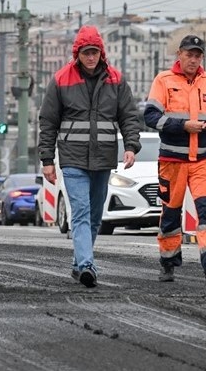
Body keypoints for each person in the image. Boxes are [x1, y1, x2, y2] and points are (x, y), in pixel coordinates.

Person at [38, 25, 143, 288]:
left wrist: (131, 146)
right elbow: (48, 121)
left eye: (94, 52)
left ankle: (79, 263)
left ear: (101, 53)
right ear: (78, 53)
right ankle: (86, 265)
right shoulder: (62, 79)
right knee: (81, 211)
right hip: (72, 159)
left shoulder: (116, 80)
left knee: (96, 215)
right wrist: (47, 160)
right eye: (86, 53)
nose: (91, 57)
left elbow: (129, 116)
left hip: (103, 158)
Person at [144, 34, 206, 284]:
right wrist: (184, 126)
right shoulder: (164, 80)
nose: (193, 59)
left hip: (202, 160)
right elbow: (151, 117)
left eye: (197, 55)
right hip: (172, 162)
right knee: (171, 214)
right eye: (189, 54)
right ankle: (168, 262)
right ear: (179, 54)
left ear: (202, 57)